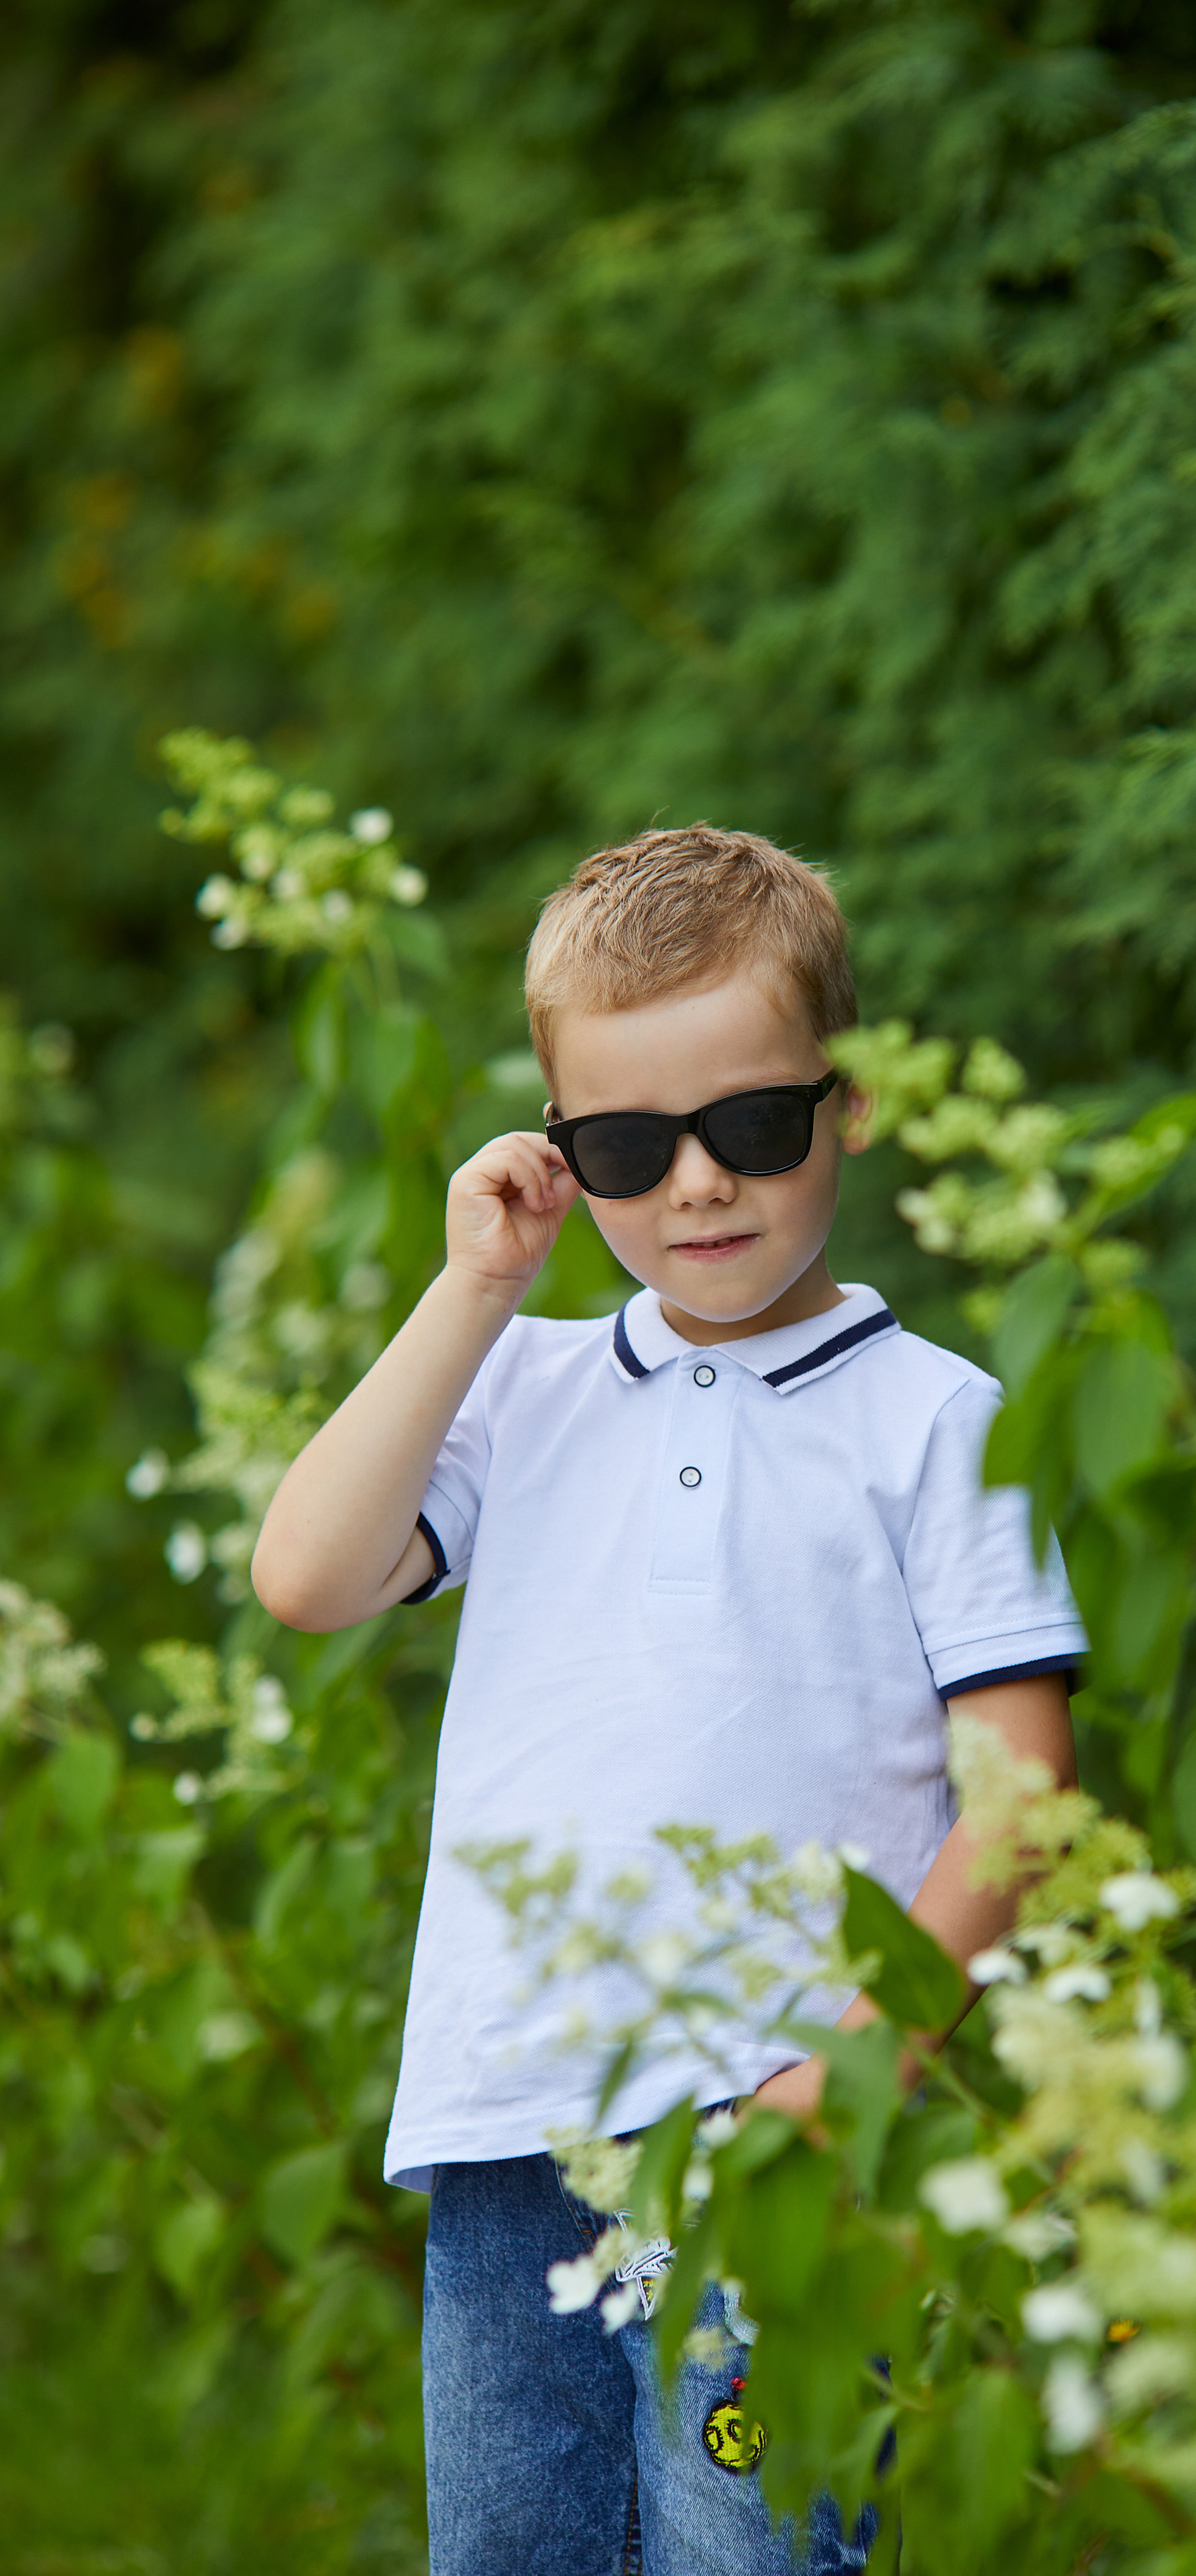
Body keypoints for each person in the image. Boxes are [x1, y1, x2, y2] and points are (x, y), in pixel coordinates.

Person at [252, 824, 1085, 2576]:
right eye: (629, 1147)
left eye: (752, 1127)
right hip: (511, 2135)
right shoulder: (529, 1384)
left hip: (775, 2141)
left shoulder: (938, 1421)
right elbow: (310, 1577)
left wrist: (856, 2076)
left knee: (758, 2553)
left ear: (843, 1105)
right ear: (560, 1155)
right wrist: (478, 1285)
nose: (697, 1184)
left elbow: (1023, 1788)